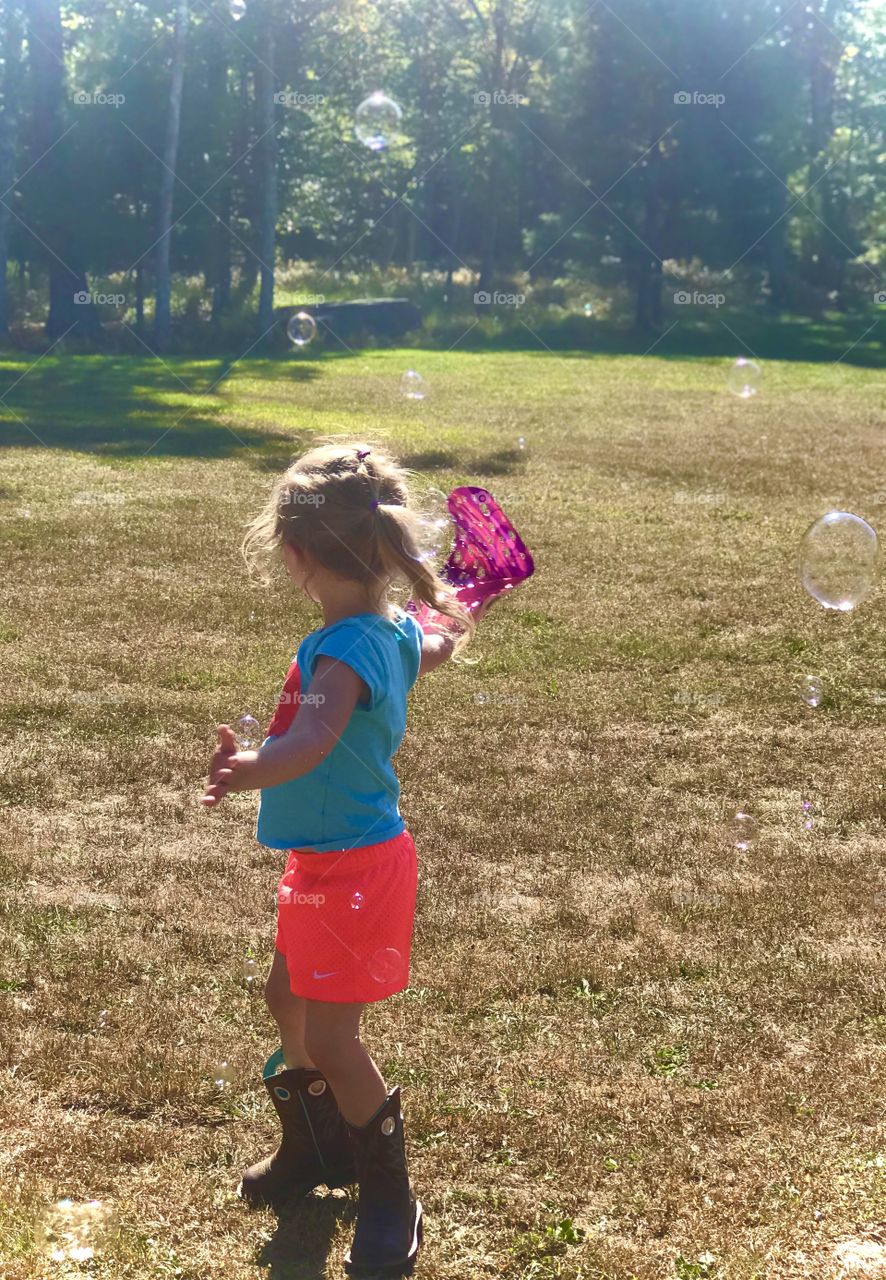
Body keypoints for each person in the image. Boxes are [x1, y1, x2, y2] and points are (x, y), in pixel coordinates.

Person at [201, 443, 475, 1277]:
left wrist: (247, 767)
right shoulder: (386, 633)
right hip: (328, 868)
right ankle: (315, 1148)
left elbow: (313, 740)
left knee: (333, 1034)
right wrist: (457, 615)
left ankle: (389, 1194)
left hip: (354, 873)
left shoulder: (340, 651)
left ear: (297, 554)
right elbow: (435, 648)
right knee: (285, 997)